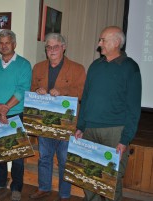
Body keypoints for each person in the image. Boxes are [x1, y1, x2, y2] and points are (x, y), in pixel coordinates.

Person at [74, 26, 142, 201]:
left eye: (103, 40)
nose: (99, 43)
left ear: (116, 42)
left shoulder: (130, 68)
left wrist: (125, 138)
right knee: (89, 177)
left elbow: (134, 107)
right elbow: (86, 98)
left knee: (111, 180)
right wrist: (81, 126)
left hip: (115, 132)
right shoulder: (95, 66)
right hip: (89, 130)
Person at [29, 33, 86, 200]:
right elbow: (32, 88)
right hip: (44, 122)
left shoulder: (77, 68)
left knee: (64, 160)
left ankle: (64, 193)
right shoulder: (38, 67)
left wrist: (63, 92)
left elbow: (82, 93)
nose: (51, 50)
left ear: (64, 47)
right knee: (44, 158)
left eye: (55, 46)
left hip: (66, 124)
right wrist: (36, 91)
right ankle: (44, 188)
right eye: (48, 47)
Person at [0, 29, 32, 201]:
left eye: (7, 42)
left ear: (14, 44)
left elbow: (22, 89)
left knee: (17, 153)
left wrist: (5, 109)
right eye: (1, 42)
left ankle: (17, 186)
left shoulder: (24, 65)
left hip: (17, 114)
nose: (4, 46)